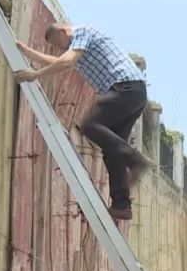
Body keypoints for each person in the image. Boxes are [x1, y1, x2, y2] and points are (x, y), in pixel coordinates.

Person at [14, 23, 152, 221]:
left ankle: (135, 159)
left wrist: (35, 75)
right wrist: (29, 52)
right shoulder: (78, 49)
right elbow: (59, 61)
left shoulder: (82, 33)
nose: (60, 48)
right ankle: (121, 205)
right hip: (134, 94)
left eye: (58, 43)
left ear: (63, 31)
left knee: (90, 125)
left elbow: (65, 62)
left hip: (125, 88)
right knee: (112, 150)